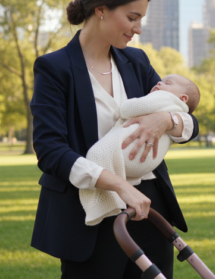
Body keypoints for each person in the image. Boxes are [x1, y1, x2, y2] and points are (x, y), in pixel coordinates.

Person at [30, 0, 199, 279]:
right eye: (132, 17)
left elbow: (189, 121)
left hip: (149, 214)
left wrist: (166, 120)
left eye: (141, 18)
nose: (138, 29)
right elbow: (51, 151)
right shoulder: (54, 68)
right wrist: (118, 184)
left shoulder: (136, 62)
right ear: (101, 11)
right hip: (89, 219)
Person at [80, 74, 200, 226]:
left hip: (132, 156)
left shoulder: (164, 98)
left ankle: (104, 204)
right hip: (144, 164)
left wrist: (167, 119)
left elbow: (128, 109)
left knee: (96, 155)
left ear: (183, 98)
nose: (159, 83)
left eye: (167, 83)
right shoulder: (174, 105)